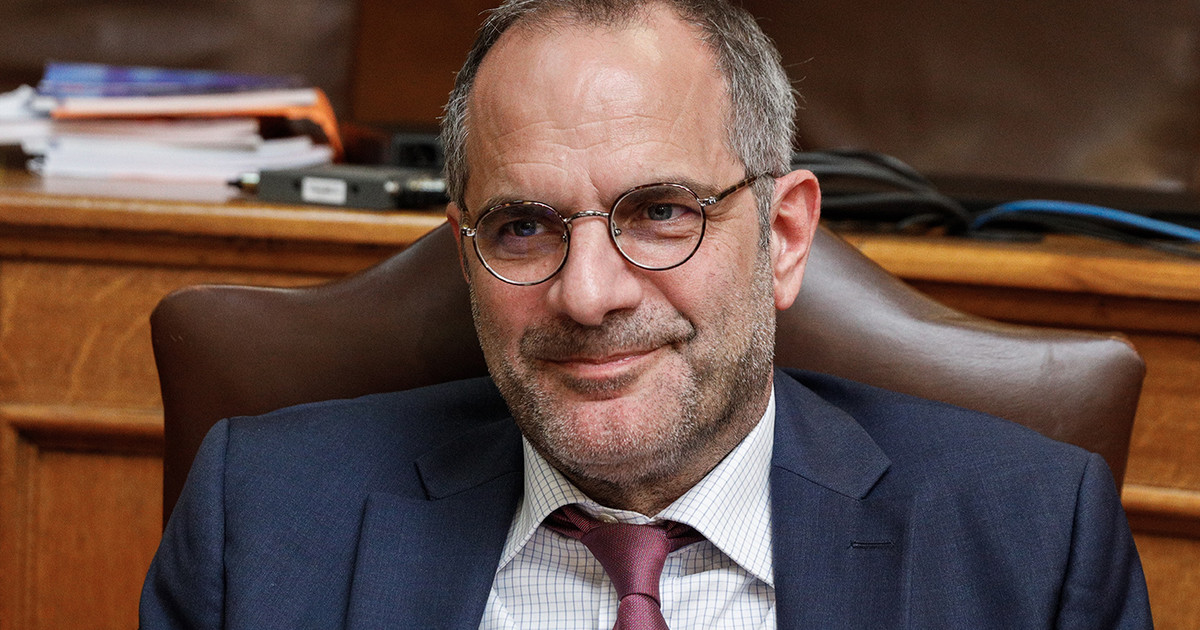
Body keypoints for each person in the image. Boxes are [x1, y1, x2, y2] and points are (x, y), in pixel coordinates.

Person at [140, 0, 1152, 628]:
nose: (589, 294)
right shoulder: (262, 519)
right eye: (523, 227)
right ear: (466, 252)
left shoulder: (1029, 545)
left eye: (662, 213)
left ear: (783, 236)